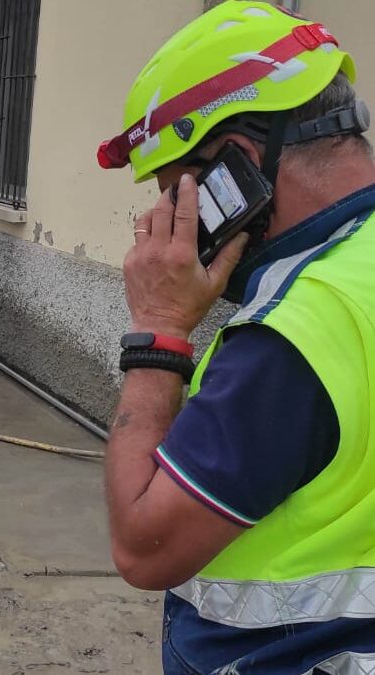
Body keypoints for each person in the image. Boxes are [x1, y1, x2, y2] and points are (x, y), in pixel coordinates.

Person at [97, 2, 375, 672]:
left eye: (176, 195)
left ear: (238, 167)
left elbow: (143, 546)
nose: (170, 224)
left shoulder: (293, 332)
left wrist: (158, 333)